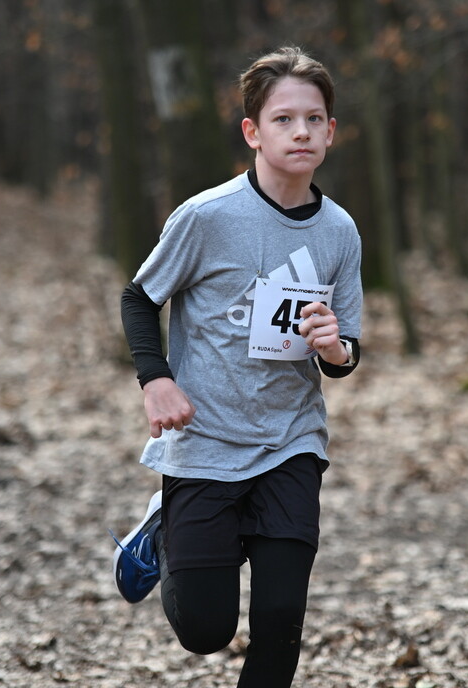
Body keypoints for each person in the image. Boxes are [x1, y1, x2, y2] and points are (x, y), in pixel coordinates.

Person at [110, 45, 363, 688]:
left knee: (280, 621)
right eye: (283, 119)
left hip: (291, 441)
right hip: (206, 441)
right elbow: (139, 298)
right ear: (252, 132)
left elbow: (346, 351)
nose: (301, 131)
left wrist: (336, 350)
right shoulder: (207, 217)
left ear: (331, 131)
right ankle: (165, 530)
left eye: (313, 119)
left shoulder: (340, 232)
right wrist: (156, 380)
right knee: (206, 629)